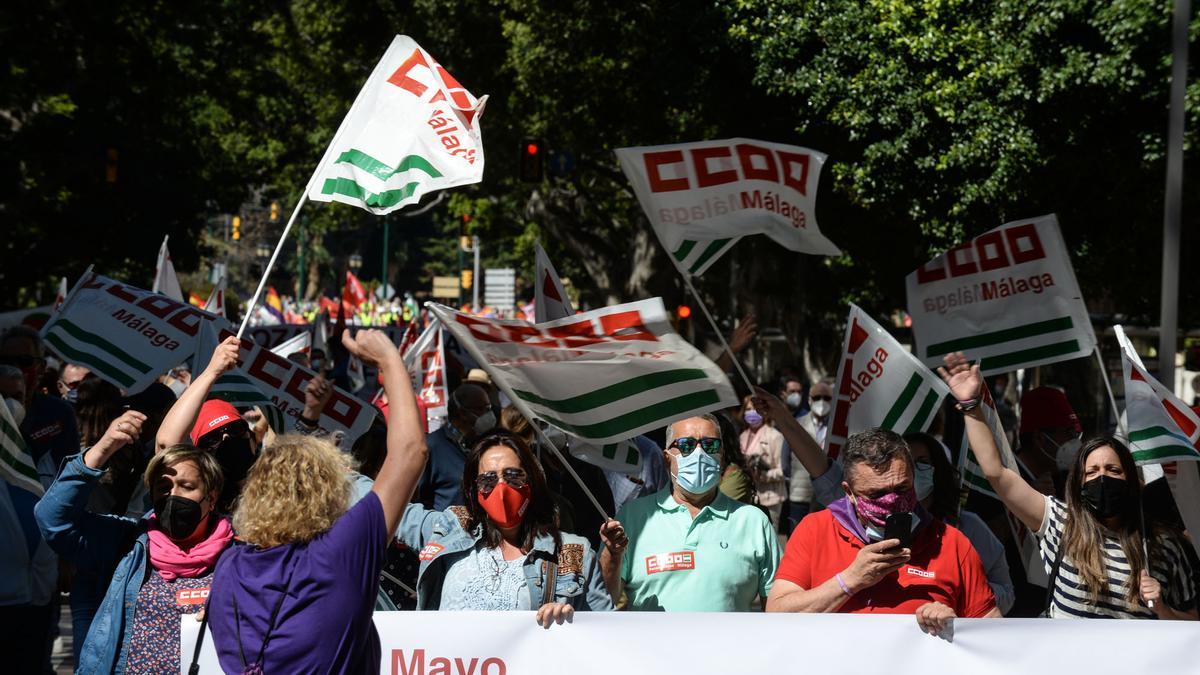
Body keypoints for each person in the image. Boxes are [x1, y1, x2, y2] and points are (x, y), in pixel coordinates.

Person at [207, 329, 427, 673]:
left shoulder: (229, 564)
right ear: (330, 491)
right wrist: (389, 360)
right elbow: (410, 453)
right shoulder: (340, 552)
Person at [939, 351, 1197, 620]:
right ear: (1079, 483)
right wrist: (971, 405)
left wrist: (1163, 609)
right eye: (1092, 471)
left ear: (1130, 481)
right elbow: (997, 473)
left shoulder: (1164, 545)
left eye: (1113, 470)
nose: (1102, 478)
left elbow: (1192, 624)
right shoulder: (1060, 524)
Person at [35, 410, 234, 673]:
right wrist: (103, 449)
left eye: (186, 486)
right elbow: (52, 520)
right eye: (164, 487)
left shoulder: (238, 554)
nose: (172, 496)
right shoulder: (127, 543)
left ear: (212, 495)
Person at [765, 425, 1000, 636]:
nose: (892, 501)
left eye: (902, 488)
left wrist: (956, 627)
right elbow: (776, 614)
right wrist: (849, 581)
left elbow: (992, 632)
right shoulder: (815, 530)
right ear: (849, 492)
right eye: (876, 494)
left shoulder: (952, 543)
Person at [395, 429, 611, 623]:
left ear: (532, 480)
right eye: (488, 480)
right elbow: (383, 505)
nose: (501, 487)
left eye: (513, 476)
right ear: (474, 489)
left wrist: (570, 621)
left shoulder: (572, 552)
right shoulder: (449, 529)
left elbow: (605, 632)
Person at [598, 414, 781, 611]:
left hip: (729, 643)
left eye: (710, 445)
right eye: (686, 445)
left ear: (722, 455)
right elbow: (604, 599)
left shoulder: (753, 522)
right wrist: (613, 556)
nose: (699, 453)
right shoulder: (633, 517)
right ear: (667, 459)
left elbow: (776, 606)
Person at [0, 364, 59, 675]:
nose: (10, 406)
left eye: (16, 396)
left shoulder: (41, 451)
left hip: (37, 597)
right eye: (2, 397)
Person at [156, 336, 259, 513]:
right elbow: (166, 442)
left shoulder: (274, 494)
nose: (226, 438)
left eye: (235, 429)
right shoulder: (193, 499)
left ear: (252, 438)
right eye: (213, 437)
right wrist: (212, 372)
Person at [0, 326, 80, 484]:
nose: (15, 368)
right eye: (6, 361)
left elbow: (69, 475)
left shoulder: (58, 412)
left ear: (41, 367)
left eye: (25, 362)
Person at [417, 382, 495, 510]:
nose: (489, 414)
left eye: (489, 408)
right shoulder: (432, 446)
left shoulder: (484, 444)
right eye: (483, 409)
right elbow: (417, 499)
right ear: (463, 413)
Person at [739, 395, 786, 526]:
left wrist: (762, 475)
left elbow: (783, 470)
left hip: (770, 498)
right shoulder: (742, 436)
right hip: (748, 496)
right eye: (748, 409)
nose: (751, 412)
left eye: (755, 408)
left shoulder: (775, 436)